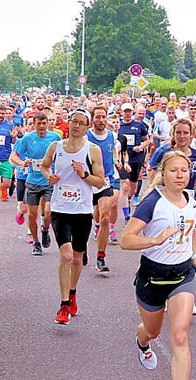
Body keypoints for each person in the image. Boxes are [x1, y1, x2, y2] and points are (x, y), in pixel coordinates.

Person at [121, 151, 196, 380]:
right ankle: (142, 342)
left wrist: (194, 255)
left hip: (183, 274)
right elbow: (126, 240)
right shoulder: (151, 203)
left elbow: (192, 231)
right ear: (163, 173)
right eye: (174, 171)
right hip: (152, 277)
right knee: (153, 330)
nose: (180, 175)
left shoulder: (193, 201)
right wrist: (155, 240)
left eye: (185, 170)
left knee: (180, 336)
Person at [40, 109, 107, 325]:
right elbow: (44, 165)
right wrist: (48, 175)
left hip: (82, 211)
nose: (76, 126)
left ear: (87, 127)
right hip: (60, 209)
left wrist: (84, 174)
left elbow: (100, 181)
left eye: (81, 123)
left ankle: (73, 292)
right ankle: (63, 304)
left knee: (78, 258)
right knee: (66, 256)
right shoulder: (56, 147)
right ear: (68, 123)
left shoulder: (92, 150)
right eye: (74, 121)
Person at [10, 112, 61, 256]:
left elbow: (62, 154)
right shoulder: (27, 138)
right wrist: (22, 163)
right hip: (32, 181)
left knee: (49, 211)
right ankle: (36, 242)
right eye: (39, 123)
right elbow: (14, 156)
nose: (42, 126)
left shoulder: (55, 138)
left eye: (44, 123)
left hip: (49, 180)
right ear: (34, 124)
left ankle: (45, 229)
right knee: (32, 215)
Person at [85, 105, 121, 273]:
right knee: (83, 220)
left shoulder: (113, 136)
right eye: (97, 117)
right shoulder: (86, 137)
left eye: (103, 117)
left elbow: (115, 155)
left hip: (105, 181)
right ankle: (81, 249)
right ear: (92, 119)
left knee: (105, 217)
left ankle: (101, 256)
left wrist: (119, 164)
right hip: (86, 182)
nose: (100, 120)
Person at [117, 103, 150, 222]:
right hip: (122, 159)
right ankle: (127, 215)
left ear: (132, 112)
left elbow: (147, 140)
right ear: (121, 112)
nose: (127, 114)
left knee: (133, 189)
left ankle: (127, 199)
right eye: (125, 111)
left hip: (136, 158)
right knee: (125, 186)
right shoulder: (118, 125)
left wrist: (140, 146)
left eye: (129, 111)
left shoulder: (139, 125)